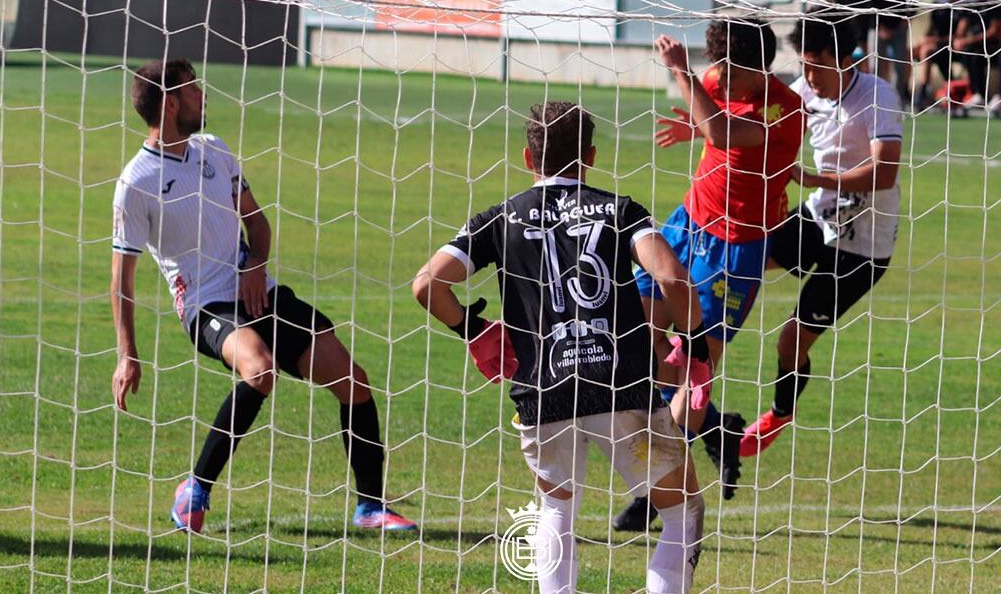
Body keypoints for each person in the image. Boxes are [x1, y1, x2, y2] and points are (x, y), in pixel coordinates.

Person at [411, 101, 711, 594]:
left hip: (544, 387)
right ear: (590, 156)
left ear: (529, 159)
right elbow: (671, 276)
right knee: (682, 509)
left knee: (556, 507)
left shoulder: (500, 217)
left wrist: (473, 330)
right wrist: (694, 345)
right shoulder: (620, 210)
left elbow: (426, 285)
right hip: (621, 386)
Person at [109, 59, 416, 534]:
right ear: (170, 103)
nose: (203, 96)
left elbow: (257, 222)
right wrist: (127, 354)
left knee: (353, 381)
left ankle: (371, 507)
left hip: (258, 290)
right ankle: (195, 490)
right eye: (194, 89)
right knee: (260, 370)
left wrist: (256, 265)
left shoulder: (215, 150)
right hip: (207, 306)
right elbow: (121, 280)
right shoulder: (136, 183)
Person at [616, 18, 805, 530]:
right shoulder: (723, 83)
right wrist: (693, 123)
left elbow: (720, 130)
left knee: (697, 366)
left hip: (734, 253)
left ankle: (656, 491)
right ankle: (717, 430)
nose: (716, 75)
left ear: (754, 69)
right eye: (713, 67)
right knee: (635, 338)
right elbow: (711, 123)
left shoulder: (784, 112)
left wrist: (682, 73)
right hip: (686, 226)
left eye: (726, 69)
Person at [740, 13, 902, 456]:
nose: (810, 77)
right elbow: (762, 123)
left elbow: (884, 173)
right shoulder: (805, 91)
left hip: (863, 246)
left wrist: (816, 179)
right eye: (805, 65)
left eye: (818, 65)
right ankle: (693, 343)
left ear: (846, 59)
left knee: (791, 341)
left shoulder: (876, 95)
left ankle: (779, 413)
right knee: (744, 255)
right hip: (818, 217)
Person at [911, 0, 971, 109]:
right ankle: (904, 91)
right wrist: (925, 39)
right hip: (937, 46)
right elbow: (930, 30)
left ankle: (923, 92)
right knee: (909, 52)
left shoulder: (964, 8)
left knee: (928, 51)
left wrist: (934, 40)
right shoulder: (939, 5)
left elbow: (960, 35)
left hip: (953, 48)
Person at [951, 0, 1001, 107]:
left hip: (993, 45)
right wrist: (958, 39)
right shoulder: (971, 4)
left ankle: (1000, 97)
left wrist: (968, 40)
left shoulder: (996, 4)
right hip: (975, 45)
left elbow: (994, 31)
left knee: (983, 56)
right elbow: (962, 27)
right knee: (968, 53)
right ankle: (973, 94)